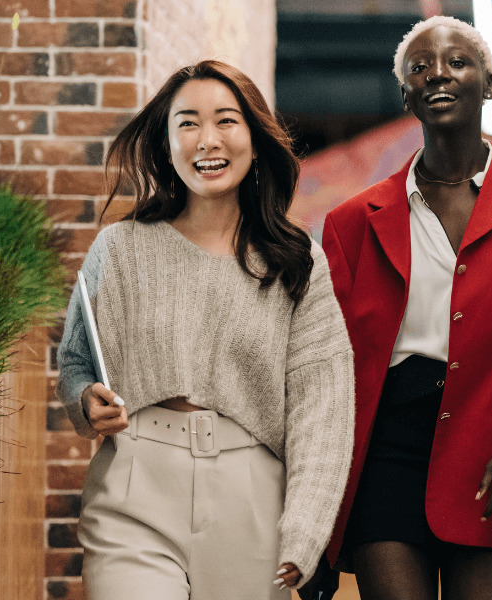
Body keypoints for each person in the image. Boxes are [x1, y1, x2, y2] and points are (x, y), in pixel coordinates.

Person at [315, 15, 492, 600]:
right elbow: (325, 373)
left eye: (457, 62)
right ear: (405, 94)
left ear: (489, 85)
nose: (437, 75)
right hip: (384, 458)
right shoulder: (350, 223)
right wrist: (314, 513)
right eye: (420, 67)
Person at [55, 60, 354, 599]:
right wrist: (85, 398)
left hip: (253, 503)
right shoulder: (119, 250)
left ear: (256, 139)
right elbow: (78, 362)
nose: (206, 139)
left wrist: (307, 529)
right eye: (187, 123)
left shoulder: (296, 261)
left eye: (225, 120)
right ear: (167, 144)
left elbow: (322, 412)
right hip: (134, 487)